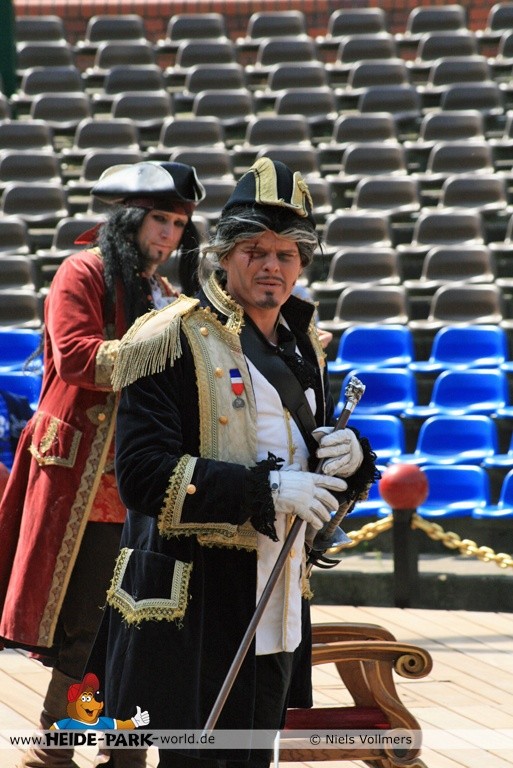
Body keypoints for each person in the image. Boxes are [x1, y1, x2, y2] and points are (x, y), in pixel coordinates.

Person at [90, 157, 379, 768]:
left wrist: (352, 459)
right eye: (255, 251)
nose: (272, 266)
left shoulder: (305, 345)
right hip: (196, 599)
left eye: (286, 254)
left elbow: (307, 457)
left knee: (253, 756)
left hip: (279, 593)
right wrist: (266, 491)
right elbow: (141, 475)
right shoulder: (167, 337)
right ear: (223, 255)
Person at [0, 160, 205, 768]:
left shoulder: (167, 295)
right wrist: (171, 338)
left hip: (144, 479)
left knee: (141, 624)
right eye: (159, 219)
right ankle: (56, 748)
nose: (169, 234)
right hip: (84, 480)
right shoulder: (81, 271)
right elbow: (78, 359)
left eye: (178, 224)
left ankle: (125, 753)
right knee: (88, 622)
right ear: (127, 219)